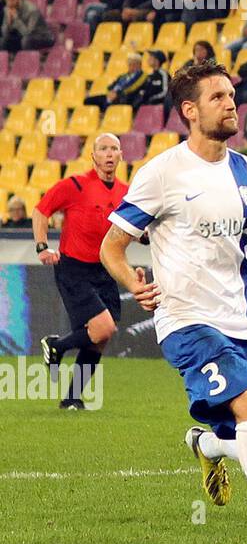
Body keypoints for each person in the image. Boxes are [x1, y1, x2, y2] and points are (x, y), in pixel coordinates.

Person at [101, 59, 247, 544]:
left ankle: (207, 446)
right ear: (189, 110)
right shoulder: (161, 173)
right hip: (185, 321)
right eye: (218, 97)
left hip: (242, 323)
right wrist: (133, 284)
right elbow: (112, 247)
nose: (232, 104)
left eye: (232, 96)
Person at [34, 134, 128, 411]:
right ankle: (57, 346)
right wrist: (42, 246)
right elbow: (41, 211)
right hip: (73, 268)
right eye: (103, 149)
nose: (109, 154)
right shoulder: (75, 185)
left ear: (121, 155)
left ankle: (72, 399)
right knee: (104, 327)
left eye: (114, 149)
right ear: (93, 156)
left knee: (101, 337)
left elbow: (134, 229)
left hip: (105, 267)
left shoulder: (126, 192)